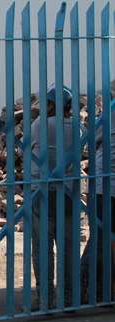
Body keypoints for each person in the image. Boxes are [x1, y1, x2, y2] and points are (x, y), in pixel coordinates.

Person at [30, 85, 75, 309]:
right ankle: (67, 297)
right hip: (68, 194)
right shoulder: (78, 126)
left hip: (42, 191)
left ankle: (44, 297)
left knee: (42, 248)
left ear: (50, 105)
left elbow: (25, 150)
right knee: (67, 247)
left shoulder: (38, 125)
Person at [80, 99, 115, 303]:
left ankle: (90, 287)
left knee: (100, 237)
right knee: (103, 239)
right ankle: (99, 288)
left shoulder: (109, 112)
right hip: (104, 185)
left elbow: (91, 141)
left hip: (102, 186)